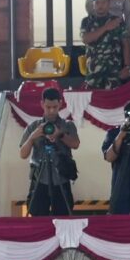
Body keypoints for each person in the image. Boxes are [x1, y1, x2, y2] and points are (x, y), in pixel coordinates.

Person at [20, 87, 79, 217]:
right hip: (39, 179)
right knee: (38, 218)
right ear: (42, 104)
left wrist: (60, 134)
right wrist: (32, 137)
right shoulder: (34, 126)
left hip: (62, 178)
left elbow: (75, 144)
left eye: (55, 107)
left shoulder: (67, 125)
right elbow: (23, 154)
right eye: (48, 107)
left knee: (63, 219)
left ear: (60, 104)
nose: (51, 111)